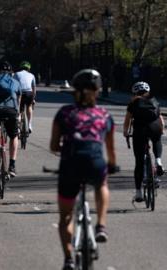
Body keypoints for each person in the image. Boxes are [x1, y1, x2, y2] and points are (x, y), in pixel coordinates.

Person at [49, 69, 117, 270]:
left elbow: (53, 146)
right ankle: (101, 225)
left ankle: (69, 258)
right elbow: (111, 149)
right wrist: (111, 166)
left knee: (65, 218)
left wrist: (66, 147)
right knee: (101, 184)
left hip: (70, 165)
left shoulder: (64, 113)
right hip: (95, 163)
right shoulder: (104, 115)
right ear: (97, 91)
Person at [123, 81, 165, 203]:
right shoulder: (154, 100)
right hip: (154, 127)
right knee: (157, 139)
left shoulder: (133, 102)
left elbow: (127, 120)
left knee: (139, 162)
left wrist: (126, 132)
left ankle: (139, 193)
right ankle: (158, 160)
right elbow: (160, 119)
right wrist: (161, 130)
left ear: (134, 92)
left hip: (140, 130)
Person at [14, 61, 37, 133]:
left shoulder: (16, 74)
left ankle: (18, 127)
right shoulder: (32, 75)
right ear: (29, 68)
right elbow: (34, 88)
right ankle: (29, 125)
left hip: (20, 93)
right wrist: (33, 98)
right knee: (29, 106)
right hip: (29, 93)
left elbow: (13, 86)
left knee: (19, 110)